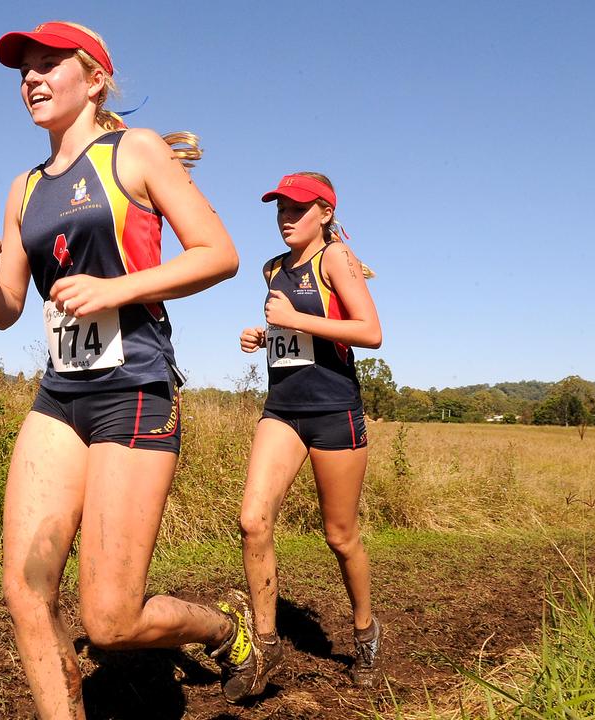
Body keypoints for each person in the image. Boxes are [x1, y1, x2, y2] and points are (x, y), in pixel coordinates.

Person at [0, 21, 259, 717]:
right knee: (25, 589)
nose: (30, 79)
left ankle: (226, 631)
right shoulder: (24, 187)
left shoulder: (136, 151)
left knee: (110, 621)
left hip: (135, 389)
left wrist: (116, 288)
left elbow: (219, 252)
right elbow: (6, 309)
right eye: (23, 71)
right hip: (61, 396)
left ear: (94, 78)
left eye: (47, 66)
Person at [237, 172, 384, 692]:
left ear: (324, 212)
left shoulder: (335, 259)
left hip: (333, 411)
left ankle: (365, 632)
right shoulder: (273, 268)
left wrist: (298, 319)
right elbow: (290, 332)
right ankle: (265, 644)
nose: (285, 218)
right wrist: (262, 334)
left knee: (340, 537)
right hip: (282, 411)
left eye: (297, 209)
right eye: (279, 209)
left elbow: (371, 332)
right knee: (252, 521)